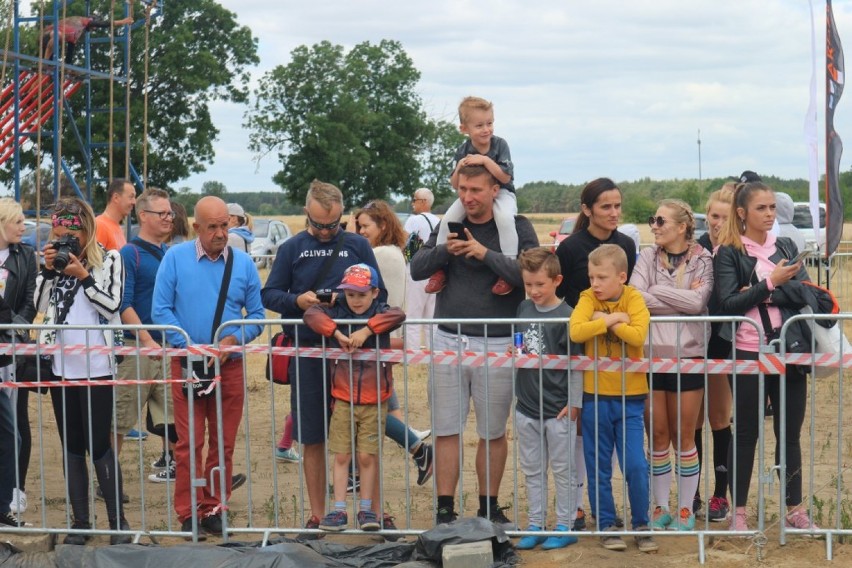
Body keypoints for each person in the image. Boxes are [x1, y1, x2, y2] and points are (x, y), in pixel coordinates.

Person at [410, 164, 539, 527]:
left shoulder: (519, 226)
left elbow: (529, 276)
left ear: (495, 189)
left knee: (493, 431)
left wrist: (484, 254)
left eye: (476, 190)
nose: (467, 197)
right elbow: (417, 267)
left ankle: (488, 507)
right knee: (447, 429)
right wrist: (444, 253)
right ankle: (445, 511)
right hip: (448, 338)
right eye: (462, 189)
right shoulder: (447, 222)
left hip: (498, 341)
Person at [261, 180, 386, 534]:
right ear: (306, 214)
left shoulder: (359, 244)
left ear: (342, 215)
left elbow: (381, 294)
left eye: (334, 225)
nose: (327, 232)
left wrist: (348, 303)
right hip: (309, 353)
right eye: (318, 225)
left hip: (356, 356)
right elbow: (269, 295)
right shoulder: (291, 248)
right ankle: (318, 514)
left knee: (365, 438)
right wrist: (299, 302)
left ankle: (371, 512)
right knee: (312, 435)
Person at [151, 196, 265, 538]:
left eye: (224, 225)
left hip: (228, 368)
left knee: (223, 442)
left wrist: (232, 340)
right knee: (188, 443)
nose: (220, 233)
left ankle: (215, 508)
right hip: (186, 365)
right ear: (196, 227)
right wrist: (188, 347)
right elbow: (160, 310)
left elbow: (257, 316)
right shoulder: (174, 258)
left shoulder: (243, 264)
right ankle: (188, 513)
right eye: (212, 226)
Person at [713, 181, 817, 533]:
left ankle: (795, 509)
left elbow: (806, 293)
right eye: (762, 208)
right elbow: (727, 304)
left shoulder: (786, 244)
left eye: (772, 207)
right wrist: (771, 283)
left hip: (790, 350)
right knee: (745, 433)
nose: (770, 214)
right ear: (742, 213)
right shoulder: (729, 252)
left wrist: (761, 292)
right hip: (747, 350)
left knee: (789, 434)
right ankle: (738, 513)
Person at [34, 197, 130, 545]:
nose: (63, 243)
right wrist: (48, 271)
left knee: (99, 444)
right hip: (61, 368)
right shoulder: (53, 262)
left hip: (96, 368)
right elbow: (40, 306)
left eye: (69, 237)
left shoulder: (111, 260)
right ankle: (80, 522)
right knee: (72, 445)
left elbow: (112, 304)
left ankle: (118, 523)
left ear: (86, 231)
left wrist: (85, 276)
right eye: (57, 236)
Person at [555, 177, 636, 530]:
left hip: (619, 349)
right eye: (606, 206)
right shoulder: (570, 248)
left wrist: (614, 322)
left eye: (618, 205)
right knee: (579, 431)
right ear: (587, 210)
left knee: (617, 440)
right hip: (580, 347)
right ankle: (574, 507)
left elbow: (630, 294)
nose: (614, 212)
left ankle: (611, 507)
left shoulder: (627, 245)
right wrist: (598, 320)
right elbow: (570, 300)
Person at [630, 199, 713, 532]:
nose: (654, 226)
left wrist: (656, 290)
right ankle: (660, 507)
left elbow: (698, 303)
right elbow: (635, 296)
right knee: (659, 435)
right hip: (650, 355)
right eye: (653, 220)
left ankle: (684, 509)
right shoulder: (646, 256)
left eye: (661, 221)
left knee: (684, 435)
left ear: (682, 227)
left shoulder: (703, 258)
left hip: (688, 355)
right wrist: (674, 295)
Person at [302, 264, 406, 531]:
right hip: (343, 398)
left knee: (367, 457)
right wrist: (336, 332)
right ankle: (338, 511)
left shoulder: (382, 310)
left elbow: (398, 314)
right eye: (350, 295)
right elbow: (311, 314)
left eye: (361, 294)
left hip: (374, 400)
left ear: (374, 292)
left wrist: (366, 331)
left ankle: (366, 511)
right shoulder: (337, 311)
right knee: (341, 456)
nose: (356, 301)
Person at [568, 244, 656, 553]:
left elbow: (637, 337)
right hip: (595, 398)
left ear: (621, 277)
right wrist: (609, 321)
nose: (595, 284)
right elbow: (576, 331)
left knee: (634, 464)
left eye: (602, 278)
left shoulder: (634, 298)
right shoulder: (586, 298)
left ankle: (642, 524)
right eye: (591, 277)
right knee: (598, 466)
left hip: (631, 398)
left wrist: (610, 320)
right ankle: (606, 524)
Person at [353, 199, 434, 489]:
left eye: (365, 226)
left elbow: (369, 298)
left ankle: (419, 450)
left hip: (373, 337)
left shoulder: (380, 255)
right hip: (378, 337)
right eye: (358, 226)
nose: (360, 231)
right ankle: (414, 451)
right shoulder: (391, 251)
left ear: (383, 225)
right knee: (380, 404)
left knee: (364, 408)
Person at [513, 248, 581, 551]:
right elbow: (520, 347)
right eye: (529, 284)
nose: (534, 291)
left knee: (563, 470)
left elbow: (577, 363)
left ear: (557, 280)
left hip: (558, 409)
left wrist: (575, 402)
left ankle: (565, 524)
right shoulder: (522, 310)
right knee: (532, 469)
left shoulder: (569, 317)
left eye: (540, 284)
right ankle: (536, 524)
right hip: (526, 406)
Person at [114, 188, 177, 482]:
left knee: (176, 416)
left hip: (166, 346)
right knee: (120, 419)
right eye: (161, 213)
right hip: (137, 349)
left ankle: (176, 465)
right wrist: (146, 340)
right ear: (143, 216)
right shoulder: (130, 253)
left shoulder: (171, 252)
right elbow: (123, 302)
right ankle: (108, 477)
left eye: (170, 213)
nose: (168, 219)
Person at [426, 96, 517, 296]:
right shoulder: (463, 150)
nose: (486, 129)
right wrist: (460, 165)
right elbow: (455, 184)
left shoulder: (500, 145)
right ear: (464, 129)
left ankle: (508, 267)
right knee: (448, 219)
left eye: (490, 123)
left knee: (504, 218)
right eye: (479, 125)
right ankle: (439, 268)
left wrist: (484, 161)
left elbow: (505, 176)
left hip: (502, 192)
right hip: (470, 194)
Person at [695, 184, 735, 522]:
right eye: (712, 216)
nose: (716, 223)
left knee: (720, 419)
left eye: (723, 217)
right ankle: (691, 492)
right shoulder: (697, 248)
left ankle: (720, 495)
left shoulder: (737, 251)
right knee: (692, 420)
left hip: (723, 343)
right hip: (692, 342)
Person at [0, 199, 38, 523]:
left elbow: (30, 301)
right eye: (18, 221)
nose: (23, 227)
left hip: (11, 350)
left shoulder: (25, 255)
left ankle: (13, 492)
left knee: (15, 425)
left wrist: (13, 330)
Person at [404, 188, 440, 351]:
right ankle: (433, 351)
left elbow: (403, 241)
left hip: (417, 270)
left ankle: (413, 352)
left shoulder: (413, 220)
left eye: (415, 199)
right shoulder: (439, 221)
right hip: (435, 271)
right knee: (431, 316)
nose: (412, 203)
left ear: (424, 202)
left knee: (413, 314)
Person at [40, 15, 134, 65]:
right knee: (58, 36)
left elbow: (70, 49)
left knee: (46, 74)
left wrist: (68, 66)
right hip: (48, 36)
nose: (94, 29)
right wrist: (122, 22)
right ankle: (45, 62)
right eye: (94, 27)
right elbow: (103, 24)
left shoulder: (78, 31)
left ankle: (46, 63)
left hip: (50, 40)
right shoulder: (84, 21)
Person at [95, 178, 136, 252]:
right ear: (116, 198)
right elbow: (94, 261)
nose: (134, 202)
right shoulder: (100, 226)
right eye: (131, 197)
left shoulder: (116, 227)